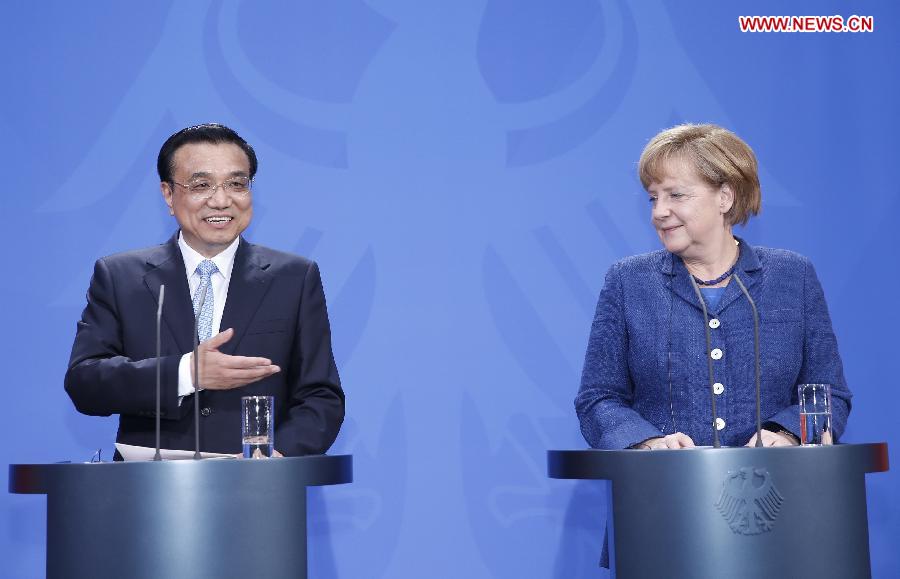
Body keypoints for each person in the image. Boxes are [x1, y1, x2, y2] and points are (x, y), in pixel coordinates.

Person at [65, 123, 344, 457]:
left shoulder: (295, 277)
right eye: (202, 185)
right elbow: (85, 383)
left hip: (260, 491)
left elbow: (321, 396)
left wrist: (275, 457)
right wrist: (186, 373)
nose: (222, 200)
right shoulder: (121, 276)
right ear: (168, 195)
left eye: (237, 184)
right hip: (147, 491)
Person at [576, 123, 851, 450]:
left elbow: (829, 392)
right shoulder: (628, 282)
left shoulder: (792, 276)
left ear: (725, 197)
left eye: (675, 195)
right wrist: (646, 443)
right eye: (653, 198)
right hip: (662, 490)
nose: (659, 212)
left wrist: (788, 434)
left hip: (777, 490)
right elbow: (598, 398)